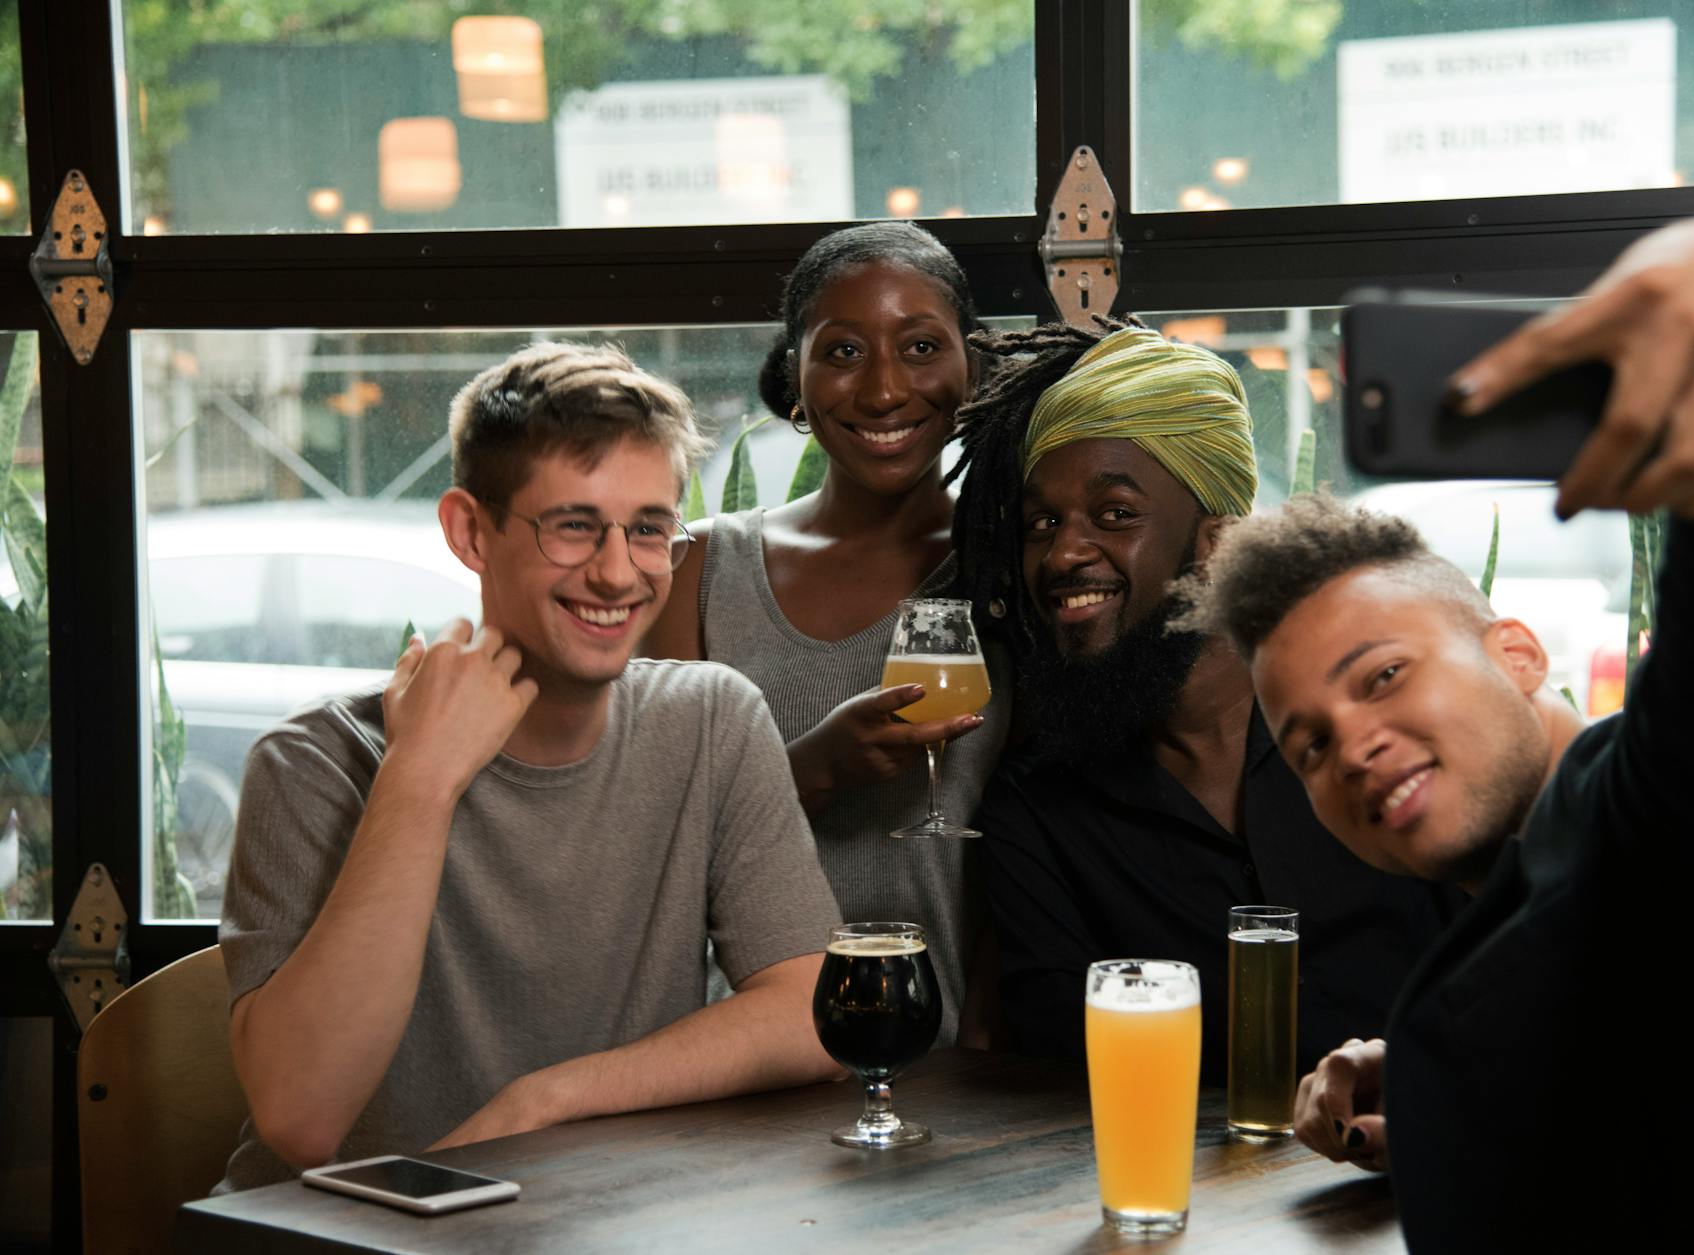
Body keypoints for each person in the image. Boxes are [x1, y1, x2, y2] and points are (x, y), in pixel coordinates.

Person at [1186, 212, 1694, 1248]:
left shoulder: (1656, 806)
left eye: (1381, 675)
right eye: (1308, 746)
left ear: (1515, 654)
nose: (1353, 746)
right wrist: (1430, 1083)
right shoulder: (1511, 924)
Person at [216, 343, 845, 1190]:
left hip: (584, 1223)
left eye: (649, 528)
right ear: (470, 531)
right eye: (573, 524)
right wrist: (422, 775)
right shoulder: (312, 762)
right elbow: (300, 1116)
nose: (618, 571)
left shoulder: (712, 720)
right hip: (346, 1237)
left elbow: (814, 1010)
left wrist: (543, 1102)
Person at [949, 319, 1462, 1084]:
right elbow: (1063, 1075)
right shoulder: (1036, 813)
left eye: (1115, 513)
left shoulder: (1382, 735)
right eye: (1043, 523)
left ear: (1217, 544)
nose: (1062, 553)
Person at [641, 222, 1009, 1046]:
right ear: (796, 380)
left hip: (958, 1070)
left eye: (921, 347)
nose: (884, 390)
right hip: (734, 1065)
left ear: (972, 371)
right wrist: (809, 769)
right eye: (842, 353)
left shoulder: (1016, 574)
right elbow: (644, 851)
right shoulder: (700, 569)